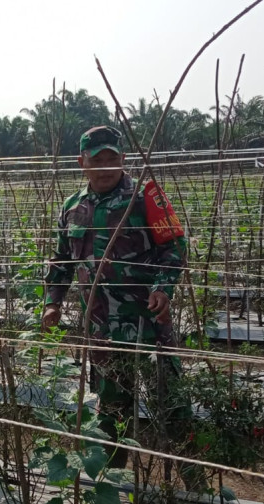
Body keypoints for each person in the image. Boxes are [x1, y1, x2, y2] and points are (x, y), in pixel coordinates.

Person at [43, 126, 187, 467]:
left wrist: (162, 289)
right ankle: (114, 482)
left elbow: (174, 248)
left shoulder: (145, 197)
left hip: (148, 323)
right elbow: (62, 259)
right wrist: (53, 301)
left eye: (112, 159)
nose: (106, 167)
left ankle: (191, 482)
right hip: (102, 327)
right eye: (97, 160)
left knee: (171, 401)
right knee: (111, 408)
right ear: (82, 163)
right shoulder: (72, 206)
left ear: (123, 159)